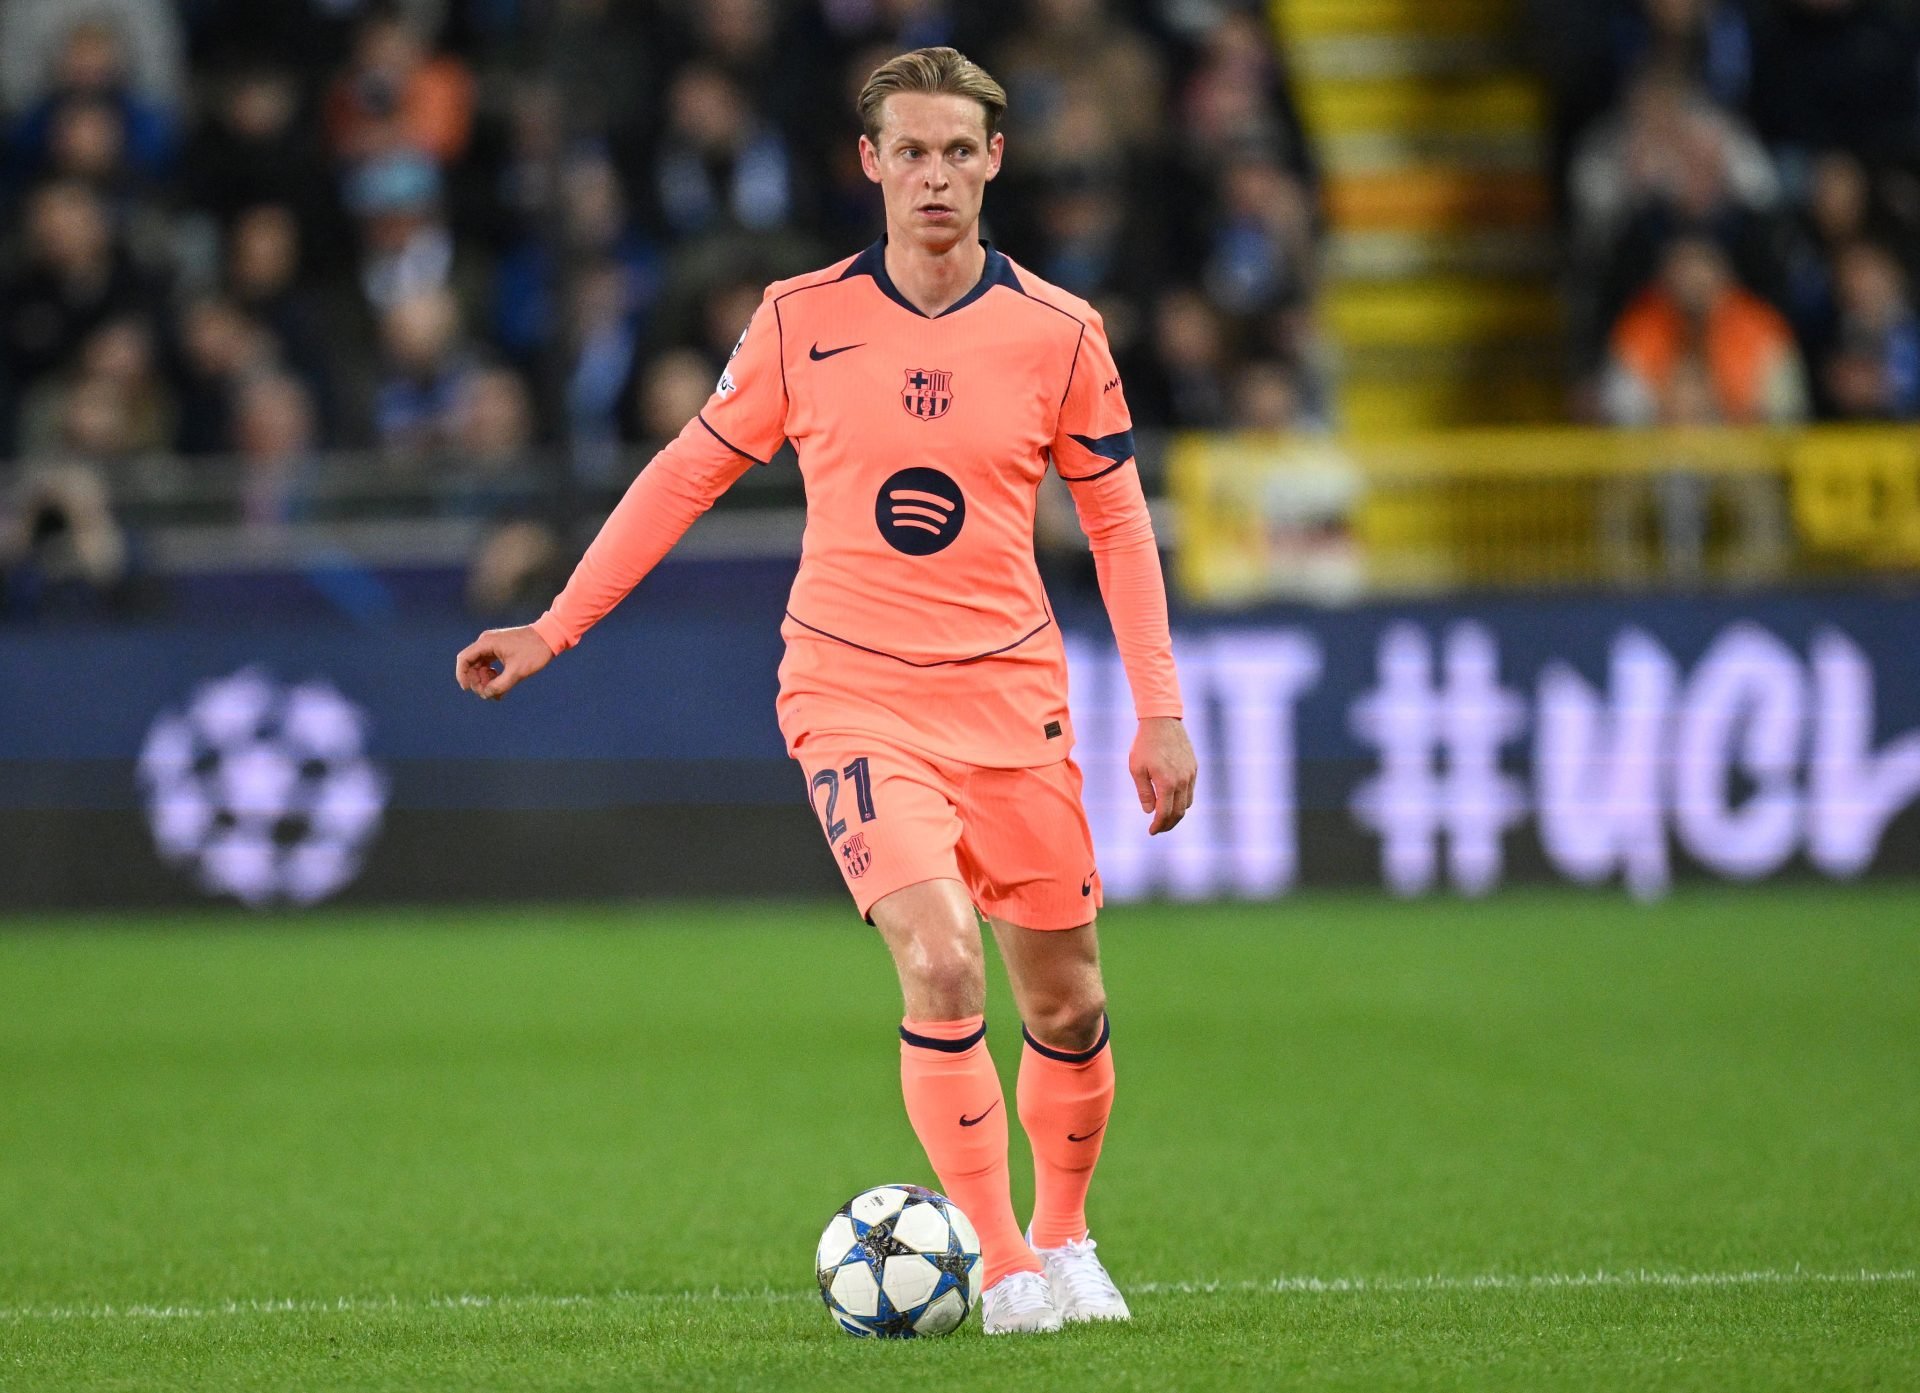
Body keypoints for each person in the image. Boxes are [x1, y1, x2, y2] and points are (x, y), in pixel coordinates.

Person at [454, 47, 1196, 1336]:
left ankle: (1066, 1235)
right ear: (871, 163)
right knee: (940, 959)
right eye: (911, 152)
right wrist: (556, 626)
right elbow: (686, 473)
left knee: (1067, 998)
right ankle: (1004, 1262)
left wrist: (1162, 708)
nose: (935, 177)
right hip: (851, 693)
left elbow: (1120, 526)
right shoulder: (801, 319)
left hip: (1011, 696)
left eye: (957, 152)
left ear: (995, 160)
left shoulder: (1062, 333)